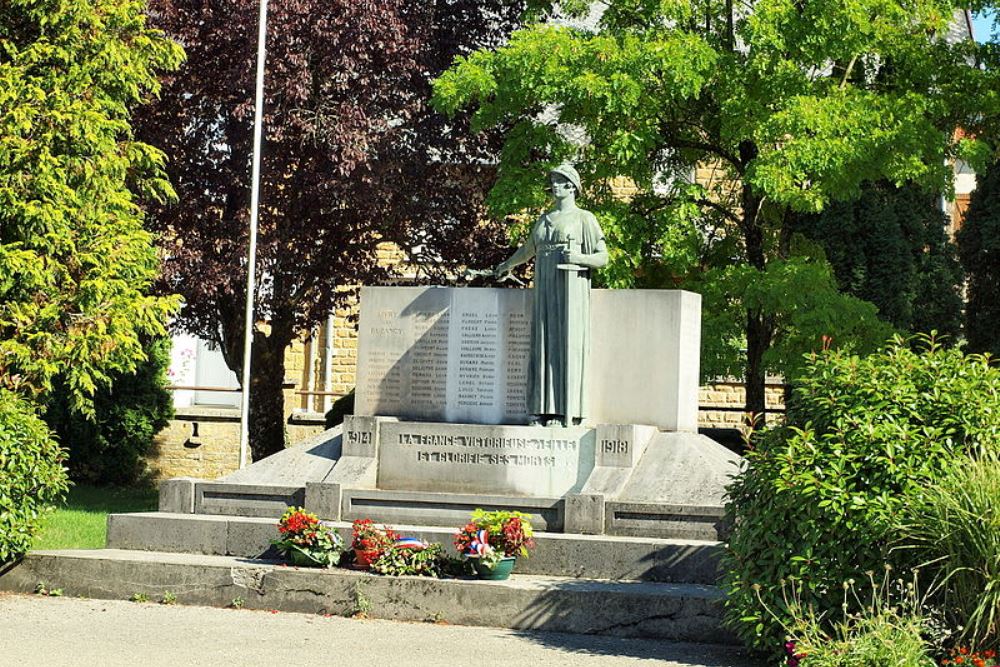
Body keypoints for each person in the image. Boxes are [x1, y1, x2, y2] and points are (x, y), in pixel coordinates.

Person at [495, 164, 608, 427]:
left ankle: (562, 411)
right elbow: (528, 250)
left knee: (565, 343)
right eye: (553, 181)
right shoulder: (544, 219)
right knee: (543, 343)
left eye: (559, 181)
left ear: (571, 186)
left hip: (571, 287)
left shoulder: (585, 219)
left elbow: (603, 258)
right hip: (544, 287)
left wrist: (580, 258)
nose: (554, 186)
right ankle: (542, 409)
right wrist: (507, 265)